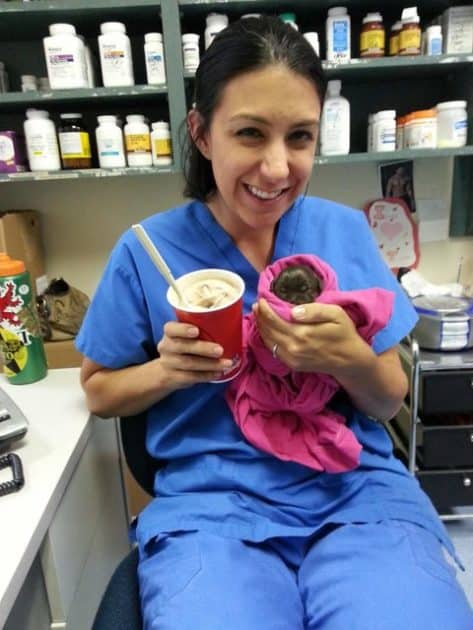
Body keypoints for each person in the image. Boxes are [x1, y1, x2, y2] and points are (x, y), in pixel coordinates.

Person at [76, 16, 473, 630]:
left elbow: (389, 394)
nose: (276, 167)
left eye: (300, 138)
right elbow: (99, 389)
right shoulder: (146, 251)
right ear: (203, 135)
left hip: (354, 496)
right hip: (213, 512)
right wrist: (167, 371)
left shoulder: (341, 232)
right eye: (250, 134)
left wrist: (348, 359)